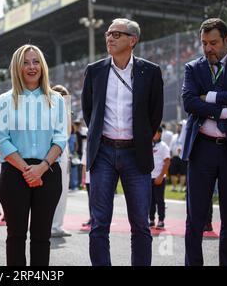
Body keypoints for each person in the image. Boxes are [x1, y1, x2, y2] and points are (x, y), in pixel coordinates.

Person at [81, 18, 164, 266]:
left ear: (132, 40)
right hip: (103, 152)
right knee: (99, 224)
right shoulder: (94, 70)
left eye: (117, 34)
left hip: (135, 155)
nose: (110, 38)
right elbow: (89, 111)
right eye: (108, 33)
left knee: (140, 225)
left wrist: (138, 139)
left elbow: (155, 114)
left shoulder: (151, 72)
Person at [0, 44, 67, 266]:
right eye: (25, 62)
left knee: (41, 238)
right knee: (15, 236)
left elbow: (60, 138)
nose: (31, 67)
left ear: (42, 66)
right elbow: (2, 140)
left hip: (48, 173)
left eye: (36, 61)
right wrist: (27, 170)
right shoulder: (5, 100)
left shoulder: (57, 100)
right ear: (17, 68)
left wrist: (41, 167)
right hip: (15, 173)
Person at [182, 18, 227, 266]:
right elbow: (189, 102)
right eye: (204, 43)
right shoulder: (193, 68)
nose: (208, 48)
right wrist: (226, 111)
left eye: (214, 43)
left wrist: (212, 97)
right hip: (202, 149)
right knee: (195, 218)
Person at [51, 85, 72, 238]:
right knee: (56, 191)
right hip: (56, 150)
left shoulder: (63, 109)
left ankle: (56, 225)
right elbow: (66, 132)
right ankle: (53, 226)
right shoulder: (53, 110)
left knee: (63, 191)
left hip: (63, 151)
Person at [149, 127, 171, 229]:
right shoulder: (149, 144)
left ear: (160, 134)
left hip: (159, 178)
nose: (153, 134)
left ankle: (161, 220)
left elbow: (167, 162)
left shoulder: (163, 146)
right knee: (150, 200)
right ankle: (151, 219)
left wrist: (161, 176)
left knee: (159, 200)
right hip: (149, 177)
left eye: (155, 132)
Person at [169, 121, 187, 192]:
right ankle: (174, 187)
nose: (178, 127)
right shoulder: (174, 136)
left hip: (182, 157)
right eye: (178, 126)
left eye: (180, 126)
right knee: (172, 173)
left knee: (183, 173)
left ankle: (181, 187)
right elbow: (170, 147)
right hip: (175, 157)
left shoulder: (185, 136)